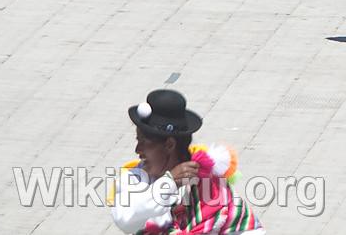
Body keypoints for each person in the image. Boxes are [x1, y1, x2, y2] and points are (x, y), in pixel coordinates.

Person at [110, 90, 264, 233]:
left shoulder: (210, 184)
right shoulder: (134, 179)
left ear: (169, 144)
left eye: (144, 142)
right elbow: (124, 219)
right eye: (138, 141)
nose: (138, 150)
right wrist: (169, 184)